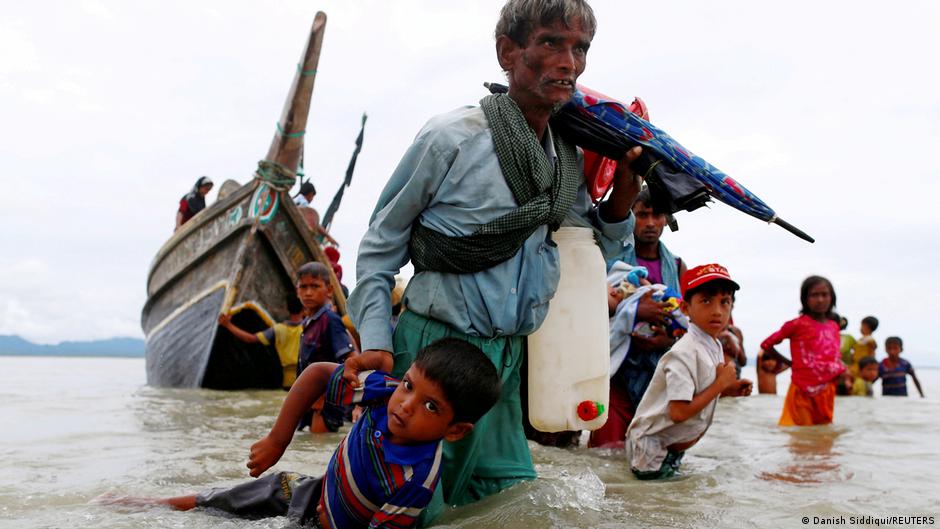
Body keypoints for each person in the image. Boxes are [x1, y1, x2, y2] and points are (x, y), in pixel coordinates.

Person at [347, 0, 644, 519]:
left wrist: (623, 195)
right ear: (509, 52)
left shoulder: (564, 156)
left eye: (580, 49)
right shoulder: (451, 139)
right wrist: (375, 343)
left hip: (506, 364)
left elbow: (584, 250)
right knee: (412, 508)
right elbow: (379, 248)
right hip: (434, 353)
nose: (568, 62)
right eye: (551, 42)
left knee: (513, 505)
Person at [107, 338, 502, 529]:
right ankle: (152, 503)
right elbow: (315, 375)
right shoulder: (383, 390)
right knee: (226, 500)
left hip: (328, 526)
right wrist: (278, 440)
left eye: (430, 406)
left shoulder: (417, 481)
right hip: (311, 491)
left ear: (455, 431)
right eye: (410, 386)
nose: (406, 405)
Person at [626, 263, 752, 480]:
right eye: (706, 300)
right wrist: (720, 385)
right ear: (685, 309)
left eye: (725, 302)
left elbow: (699, 390)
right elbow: (679, 412)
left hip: (671, 448)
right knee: (651, 506)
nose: (717, 311)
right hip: (651, 451)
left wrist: (728, 389)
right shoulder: (683, 353)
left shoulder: (713, 345)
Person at [760, 276, 845, 426]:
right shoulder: (797, 325)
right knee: (803, 436)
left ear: (832, 298)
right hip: (802, 389)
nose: (820, 300)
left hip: (827, 390)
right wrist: (789, 363)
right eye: (814, 295)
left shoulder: (834, 326)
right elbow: (767, 344)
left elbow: (834, 355)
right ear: (805, 299)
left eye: (824, 295)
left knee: (823, 436)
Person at [295, 262, 356, 433]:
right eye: (303, 287)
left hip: (325, 404)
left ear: (329, 290)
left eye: (315, 286)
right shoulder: (308, 323)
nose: (308, 292)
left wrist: (325, 395)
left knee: (318, 446)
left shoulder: (329, 320)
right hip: (308, 401)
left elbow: (351, 359)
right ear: (297, 290)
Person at [218, 295, 305, 389]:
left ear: (287, 309)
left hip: (287, 382)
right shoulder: (309, 327)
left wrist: (228, 325)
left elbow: (250, 338)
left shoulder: (278, 329)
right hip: (307, 378)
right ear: (304, 309)